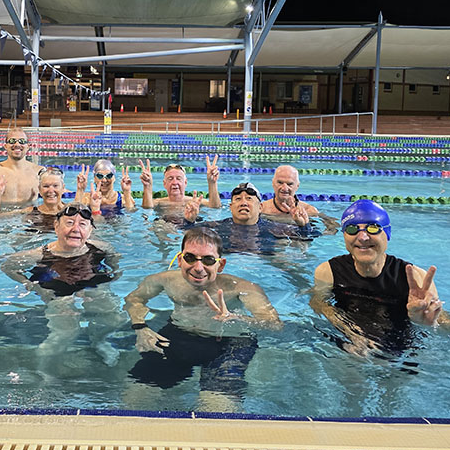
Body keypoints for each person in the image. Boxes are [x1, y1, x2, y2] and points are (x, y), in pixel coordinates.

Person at [124, 227, 282, 400]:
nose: (198, 267)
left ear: (220, 264)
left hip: (230, 343)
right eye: (190, 258)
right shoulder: (164, 280)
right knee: (137, 397)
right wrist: (140, 327)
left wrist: (236, 319)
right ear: (179, 260)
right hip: (180, 335)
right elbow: (134, 299)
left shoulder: (242, 289)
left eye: (208, 260)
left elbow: (274, 325)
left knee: (216, 407)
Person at [311, 199, 450, 355]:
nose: (363, 237)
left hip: (401, 349)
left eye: (373, 228)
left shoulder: (416, 279)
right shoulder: (328, 271)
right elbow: (319, 304)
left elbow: (445, 324)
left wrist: (428, 323)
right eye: (352, 229)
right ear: (344, 236)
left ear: (387, 233)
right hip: (347, 343)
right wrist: (349, 329)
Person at [1, 202, 124, 364]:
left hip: (91, 280)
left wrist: (113, 275)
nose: (76, 229)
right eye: (69, 223)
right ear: (56, 226)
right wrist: (32, 285)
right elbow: (7, 267)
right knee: (66, 332)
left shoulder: (102, 248)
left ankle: (100, 340)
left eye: (82, 224)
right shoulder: (38, 255)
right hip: (55, 284)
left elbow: (115, 261)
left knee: (114, 318)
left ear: (90, 230)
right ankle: (43, 370)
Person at [183, 182, 317, 254]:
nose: (243, 202)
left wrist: (303, 226)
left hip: (266, 265)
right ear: (230, 206)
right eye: (238, 199)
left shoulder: (274, 228)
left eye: (249, 198)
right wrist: (189, 221)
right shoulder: (216, 227)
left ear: (260, 207)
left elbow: (309, 237)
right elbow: (187, 233)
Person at [261, 165, 338, 232]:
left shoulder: (309, 210)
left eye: (290, 184)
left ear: (297, 186)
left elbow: (333, 228)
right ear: (273, 183)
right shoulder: (261, 209)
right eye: (280, 183)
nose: (284, 188)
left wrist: (305, 225)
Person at [138, 157, 222, 210]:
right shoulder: (159, 203)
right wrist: (147, 186)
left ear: (185, 182)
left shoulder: (196, 202)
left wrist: (212, 183)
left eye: (179, 178)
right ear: (164, 184)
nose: (175, 182)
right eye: (170, 179)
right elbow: (147, 208)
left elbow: (215, 207)